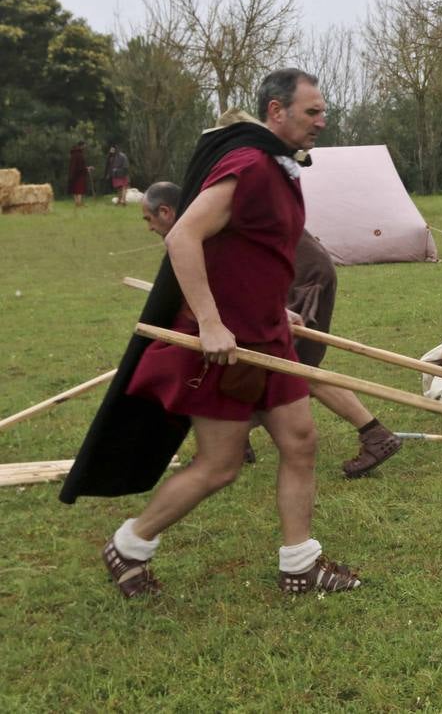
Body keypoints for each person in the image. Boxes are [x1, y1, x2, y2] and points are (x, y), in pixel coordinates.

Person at [61, 68, 361, 598]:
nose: (322, 120)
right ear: (276, 111)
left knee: (300, 441)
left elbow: (255, 252)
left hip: (265, 335)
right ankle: (130, 545)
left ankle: (300, 563)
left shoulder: (279, 167)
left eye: (322, 110)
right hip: (224, 349)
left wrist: (276, 310)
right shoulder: (247, 166)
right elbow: (183, 237)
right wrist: (210, 322)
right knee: (220, 465)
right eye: (312, 111)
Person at [141, 177, 402, 478]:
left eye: (148, 219)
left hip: (302, 276)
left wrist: (276, 310)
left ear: (165, 212)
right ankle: (237, 441)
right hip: (279, 276)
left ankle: (376, 436)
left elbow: (240, 272)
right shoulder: (197, 220)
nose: (149, 227)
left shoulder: (202, 220)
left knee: (293, 366)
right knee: (253, 361)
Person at [68, 141, 90, 207]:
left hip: (73, 173)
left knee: (75, 189)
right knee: (79, 189)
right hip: (79, 174)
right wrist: (86, 169)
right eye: (84, 146)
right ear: (81, 146)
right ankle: (79, 203)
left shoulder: (73, 153)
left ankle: (76, 203)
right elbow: (80, 166)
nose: (85, 147)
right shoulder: (79, 154)